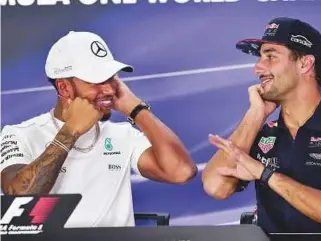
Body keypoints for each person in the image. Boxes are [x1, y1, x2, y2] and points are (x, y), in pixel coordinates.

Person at [0, 31, 197, 228]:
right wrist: (70, 132)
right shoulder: (19, 134)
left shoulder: (122, 135)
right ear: (64, 88)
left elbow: (181, 172)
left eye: (112, 78)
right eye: (97, 81)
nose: (110, 90)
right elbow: (19, 197)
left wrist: (136, 109)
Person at [202, 17, 321, 233]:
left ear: (304, 63)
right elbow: (216, 187)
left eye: (271, 56)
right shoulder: (263, 131)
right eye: (260, 58)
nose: (257, 68)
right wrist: (255, 115)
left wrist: (264, 173)